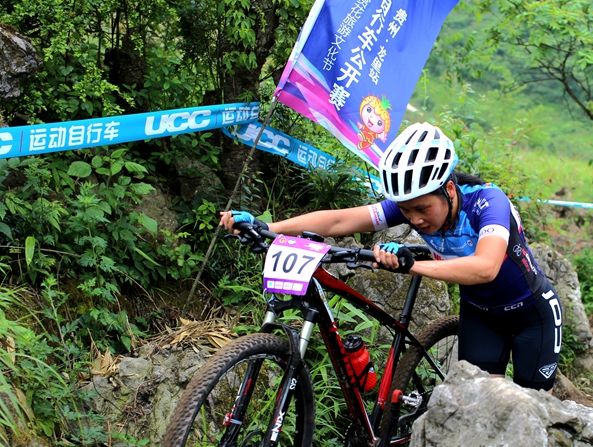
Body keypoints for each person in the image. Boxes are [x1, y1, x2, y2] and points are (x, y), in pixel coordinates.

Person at [219, 122, 563, 391]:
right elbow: (340, 219)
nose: (414, 219)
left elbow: (486, 267)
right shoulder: (415, 205)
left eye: (422, 209)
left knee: (532, 407)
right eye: (406, 211)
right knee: (480, 407)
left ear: (449, 189)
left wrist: (415, 265)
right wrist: (271, 226)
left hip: (531, 314)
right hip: (481, 316)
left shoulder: (488, 203)